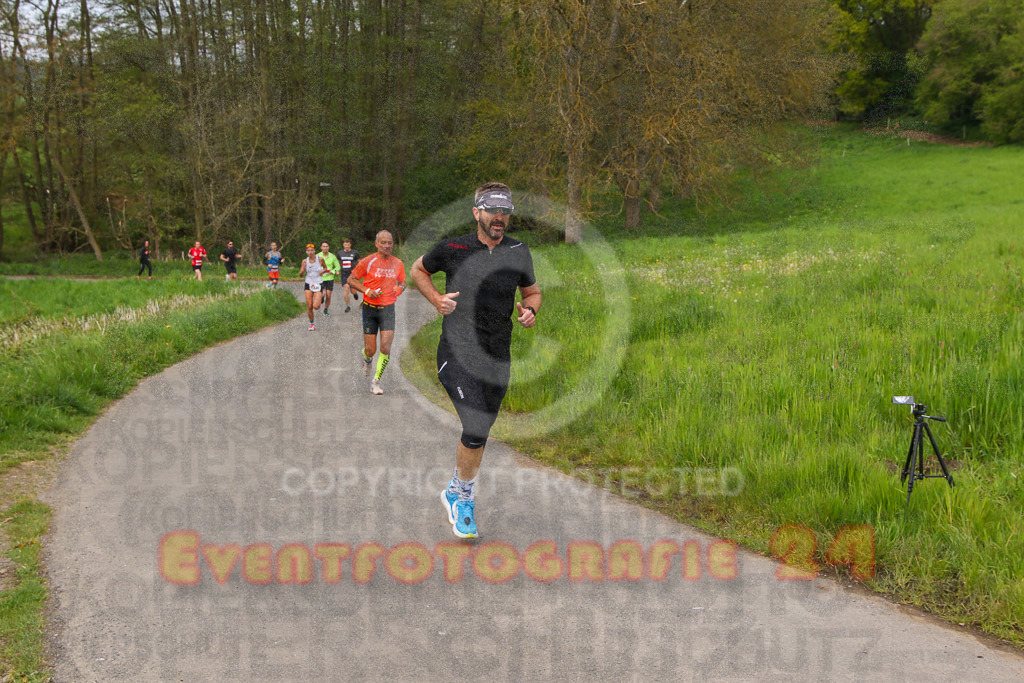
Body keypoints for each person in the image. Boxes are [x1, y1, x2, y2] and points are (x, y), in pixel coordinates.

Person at [411, 182, 541, 539]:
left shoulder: (518, 250)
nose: (500, 217)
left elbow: (532, 291)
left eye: (506, 211)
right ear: (477, 213)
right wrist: (436, 299)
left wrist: (530, 310)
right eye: (493, 210)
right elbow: (418, 270)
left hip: (498, 355)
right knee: (477, 425)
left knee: (479, 433)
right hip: (456, 352)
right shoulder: (453, 248)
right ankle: (464, 500)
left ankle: (454, 489)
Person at [347, 231, 405, 395]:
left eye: (390, 242)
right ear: (377, 244)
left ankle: (376, 382)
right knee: (370, 349)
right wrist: (366, 290)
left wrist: (399, 288)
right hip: (370, 308)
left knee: (386, 347)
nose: (387, 246)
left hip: (388, 309)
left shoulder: (398, 263)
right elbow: (351, 279)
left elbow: (403, 282)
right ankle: (367, 359)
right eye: (383, 242)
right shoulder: (368, 261)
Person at [298, 243, 331, 331]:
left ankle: (321, 296)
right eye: (308, 250)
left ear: (314, 251)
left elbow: (325, 268)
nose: (310, 252)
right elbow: (301, 274)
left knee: (315, 306)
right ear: (306, 252)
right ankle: (312, 324)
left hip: (318, 283)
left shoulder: (320, 259)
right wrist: (302, 271)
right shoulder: (304, 261)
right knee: (309, 306)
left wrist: (323, 271)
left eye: (312, 250)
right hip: (308, 283)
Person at [318, 241, 342, 316]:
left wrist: (334, 271)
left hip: (329, 278)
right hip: (320, 278)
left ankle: (326, 309)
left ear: (329, 247)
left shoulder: (332, 256)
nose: (325, 248)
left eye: (326, 246)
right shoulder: (317, 256)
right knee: (322, 294)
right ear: (321, 247)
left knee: (328, 295)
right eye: (324, 246)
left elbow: (338, 266)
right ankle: (321, 300)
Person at [337, 238, 360, 312]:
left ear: (350, 245)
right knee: (346, 288)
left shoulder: (355, 252)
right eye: (345, 245)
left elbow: (359, 262)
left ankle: (355, 294)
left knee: (353, 290)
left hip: (352, 274)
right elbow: (338, 263)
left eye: (348, 245)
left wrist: (359, 270)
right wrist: (337, 270)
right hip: (344, 274)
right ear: (343, 245)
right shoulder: (340, 253)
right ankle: (348, 306)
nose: (346, 246)